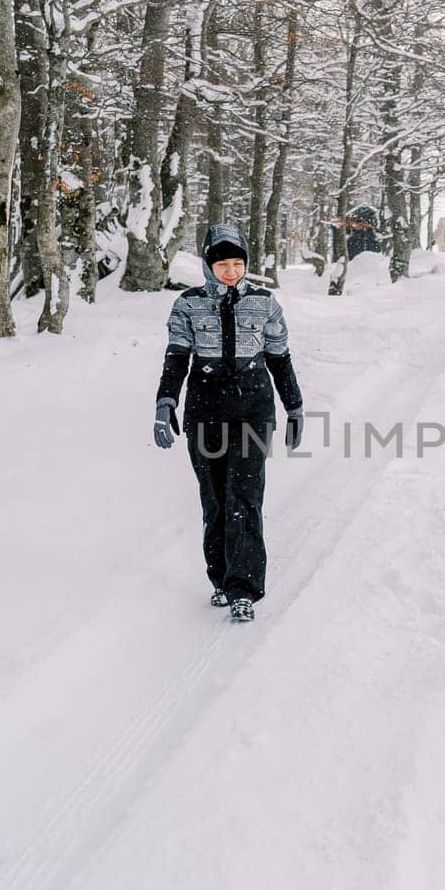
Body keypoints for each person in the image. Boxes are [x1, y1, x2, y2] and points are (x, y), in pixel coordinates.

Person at [152, 223, 304, 623]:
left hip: (253, 410)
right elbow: (176, 358)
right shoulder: (187, 305)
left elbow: (280, 358)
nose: (232, 271)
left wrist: (295, 406)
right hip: (205, 410)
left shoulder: (265, 303)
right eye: (223, 264)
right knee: (215, 499)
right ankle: (220, 579)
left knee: (245, 498)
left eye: (238, 263)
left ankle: (244, 589)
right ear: (208, 265)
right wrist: (165, 402)